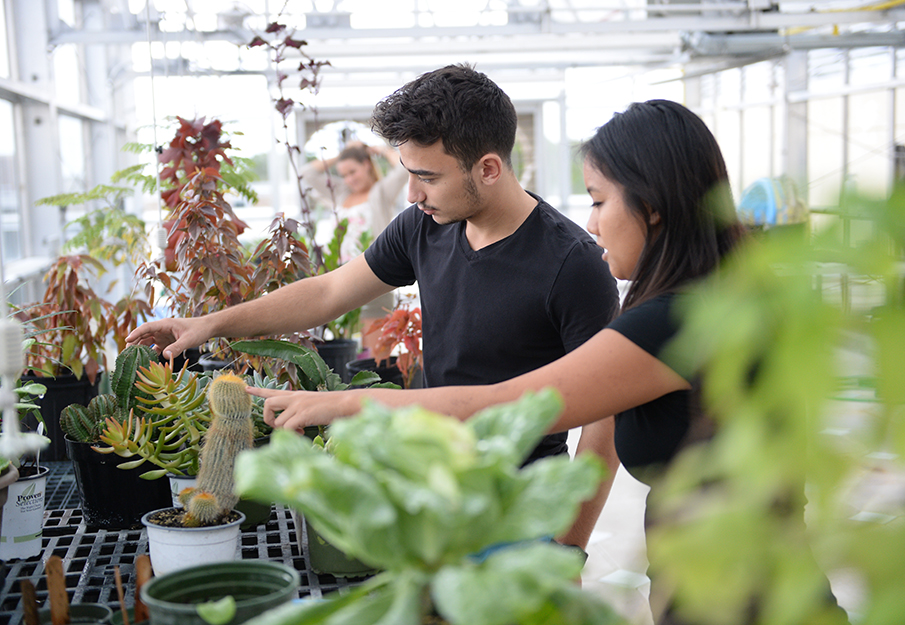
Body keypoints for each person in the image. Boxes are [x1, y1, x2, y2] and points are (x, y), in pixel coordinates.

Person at [245, 99, 849, 624]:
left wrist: (345, 401)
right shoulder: (719, 296)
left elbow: (508, 402)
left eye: (599, 200)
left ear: (655, 206)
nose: (592, 224)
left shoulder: (678, 320)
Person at [126, 63, 621, 550]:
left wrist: (568, 543)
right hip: (430, 485)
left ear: (488, 168)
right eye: (407, 174)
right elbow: (326, 293)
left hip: (520, 508)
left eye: (427, 176)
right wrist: (209, 324)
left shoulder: (573, 264)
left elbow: (607, 414)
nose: (411, 194)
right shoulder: (423, 226)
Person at [301, 140, 408, 350]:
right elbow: (306, 174)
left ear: (367, 164)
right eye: (344, 174)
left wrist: (378, 150)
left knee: (376, 345)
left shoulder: (380, 192)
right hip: (342, 276)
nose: (349, 179)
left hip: (374, 275)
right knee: (348, 342)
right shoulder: (341, 193)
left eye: (353, 171)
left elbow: (404, 168)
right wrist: (342, 155)